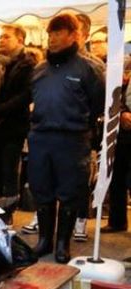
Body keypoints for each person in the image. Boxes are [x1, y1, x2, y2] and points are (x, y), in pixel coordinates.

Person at [28, 13, 104, 263]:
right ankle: (45, 241)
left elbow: (98, 104)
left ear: (74, 35)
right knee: (42, 189)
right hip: (40, 138)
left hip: (72, 140)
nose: (52, 39)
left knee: (70, 192)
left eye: (58, 33)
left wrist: (80, 126)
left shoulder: (89, 68)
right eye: (50, 34)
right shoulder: (40, 69)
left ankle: (62, 244)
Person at [0, 24, 35, 225]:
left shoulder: (27, 64)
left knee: (9, 172)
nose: (2, 40)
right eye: (1, 37)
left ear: (19, 40)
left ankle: (7, 213)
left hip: (13, 126)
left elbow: (25, 95)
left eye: (6, 37)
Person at [71, 13, 106, 242]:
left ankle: (81, 219)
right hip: (55, 131)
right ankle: (42, 217)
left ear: (83, 35)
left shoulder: (94, 65)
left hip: (80, 132)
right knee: (50, 178)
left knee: (80, 179)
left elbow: (99, 101)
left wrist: (84, 121)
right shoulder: (52, 63)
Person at [102, 58, 131, 233]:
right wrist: (121, 112)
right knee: (117, 178)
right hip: (119, 134)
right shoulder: (114, 78)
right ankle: (117, 221)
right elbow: (110, 98)